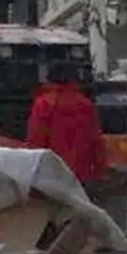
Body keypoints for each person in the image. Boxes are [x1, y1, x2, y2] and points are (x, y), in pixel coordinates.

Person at [26, 59, 106, 188]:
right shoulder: (85, 104)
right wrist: (99, 171)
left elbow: (36, 139)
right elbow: (95, 140)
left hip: (52, 175)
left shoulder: (44, 104)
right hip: (80, 175)